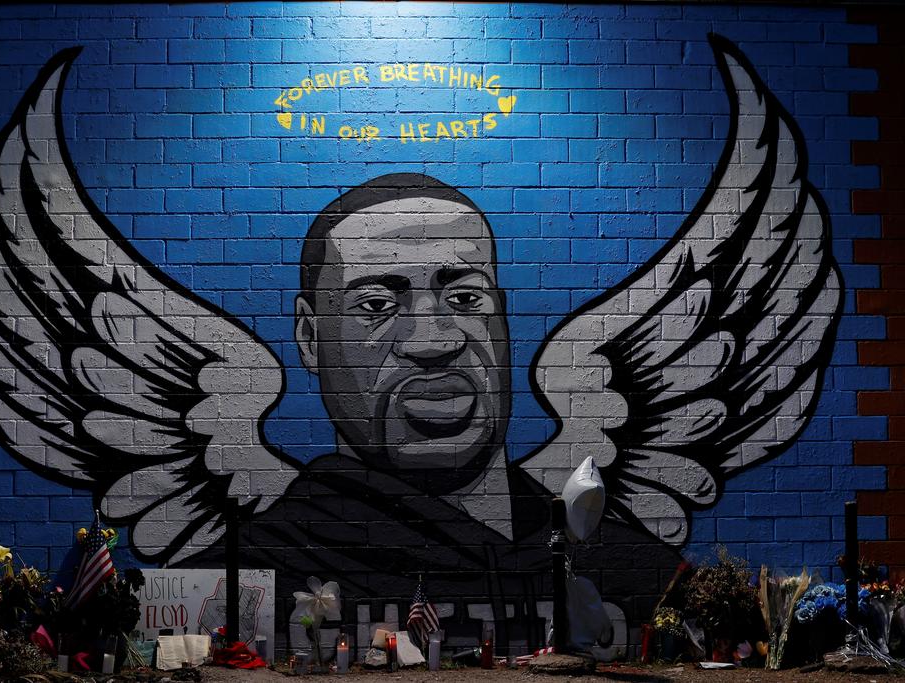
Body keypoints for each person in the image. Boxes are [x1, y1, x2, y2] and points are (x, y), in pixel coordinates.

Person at [182, 174, 683, 653]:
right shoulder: (261, 564)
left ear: (502, 316)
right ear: (310, 338)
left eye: (465, 297)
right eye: (376, 305)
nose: (433, 341)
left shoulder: (632, 569)